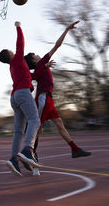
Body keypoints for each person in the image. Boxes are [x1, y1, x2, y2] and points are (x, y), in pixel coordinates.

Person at [24, 21, 91, 175]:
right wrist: (66, 29)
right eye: (34, 54)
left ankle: (75, 149)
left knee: (60, 124)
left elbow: (33, 74)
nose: (37, 54)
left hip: (49, 100)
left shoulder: (42, 65)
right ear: (34, 60)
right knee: (37, 129)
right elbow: (56, 46)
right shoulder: (41, 63)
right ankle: (29, 156)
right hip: (42, 99)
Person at [0, 21, 42, 177]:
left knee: (18, 131)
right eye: (11, 50)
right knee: (35, 120)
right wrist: (18, 27)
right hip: (22, 94)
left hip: (14, 97)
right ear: (10, 55)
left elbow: (29, 76)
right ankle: (28, 149)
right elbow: (20, 42)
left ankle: (13, 159)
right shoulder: (16, 60)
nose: (14, 50)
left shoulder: (13, 66)